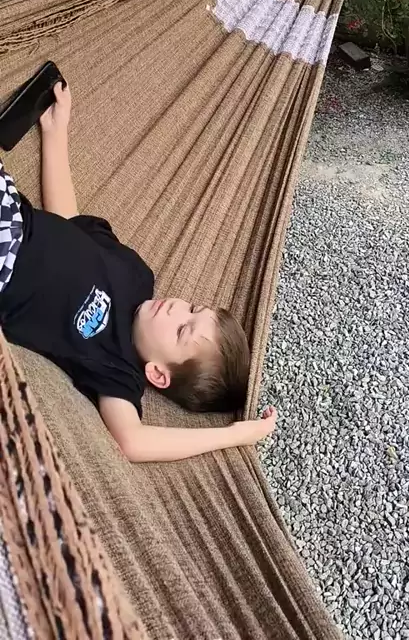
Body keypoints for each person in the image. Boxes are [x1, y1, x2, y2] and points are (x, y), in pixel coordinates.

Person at [0, 82, 277, 463]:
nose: (177, 308)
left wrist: (236, 435)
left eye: (182, 330)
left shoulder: (117, 369)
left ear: (158, 374)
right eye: (193, 308)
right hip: (13, 212)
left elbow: (132, 442)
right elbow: (69, 222)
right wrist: (55, 132)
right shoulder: (136, 275)